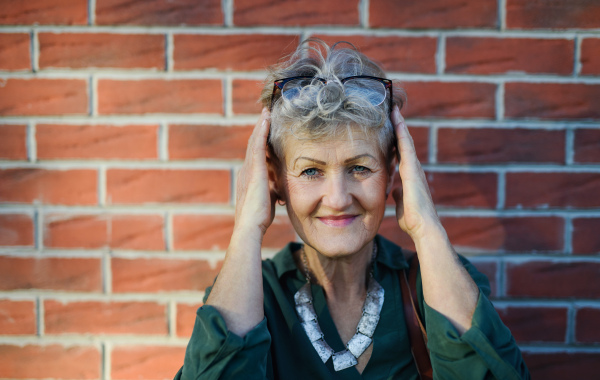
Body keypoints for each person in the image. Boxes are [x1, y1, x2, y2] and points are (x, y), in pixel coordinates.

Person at [174, 39, 530, 379]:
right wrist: (247, 228)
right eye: (311, 171)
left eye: (360, 168)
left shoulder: (433, 279)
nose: (338, 198)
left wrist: (427, 228)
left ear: (393, 172)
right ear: (275, 180)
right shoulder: (256, 292)